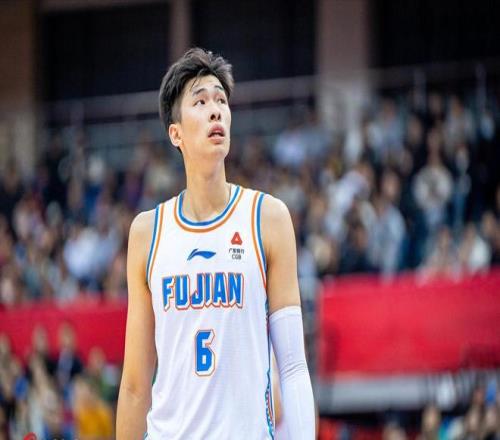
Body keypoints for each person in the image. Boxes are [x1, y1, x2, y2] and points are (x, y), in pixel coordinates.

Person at [116, 48, 315, 439]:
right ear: (175, 134)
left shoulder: (268, 219)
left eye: (221, 101)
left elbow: (293, 367)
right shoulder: (147, 233)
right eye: (201, 102)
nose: (215, 111)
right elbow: (135, 384)